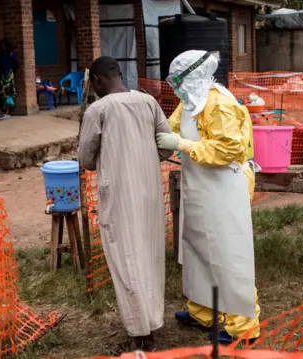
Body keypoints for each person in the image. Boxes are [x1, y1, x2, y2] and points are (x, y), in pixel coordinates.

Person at [156, 50, 260, 345]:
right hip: (200, 188)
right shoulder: (190, 102)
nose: (175, 87)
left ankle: (244, 326)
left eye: (177, 80)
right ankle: (204, 311)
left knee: (229, 256)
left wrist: (183, 145)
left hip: (225, 188)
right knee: (198, 248)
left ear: (193, 76)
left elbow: (228, 150)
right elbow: (170, 127)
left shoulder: (220, 103)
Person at [77, 56, 173, 352]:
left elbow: (85, 158)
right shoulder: (148, 102)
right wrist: (144, 158)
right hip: (150, 194)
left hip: (118, 194)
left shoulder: (99, 109)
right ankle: (152, 322)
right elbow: (166, 143)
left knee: (125, 257)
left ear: (96, 81)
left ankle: (140, 336)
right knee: (149, 253)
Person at [0, 39, 20, 119]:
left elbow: (17, 64)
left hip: (7, 75)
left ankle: (8, 111)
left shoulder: (10, 54)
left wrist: (11, 70)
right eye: (1, 45)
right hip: (0, 75)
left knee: (8, 93)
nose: (2, 46)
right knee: (1, 94)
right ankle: (2, 111)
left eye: (3, 45)